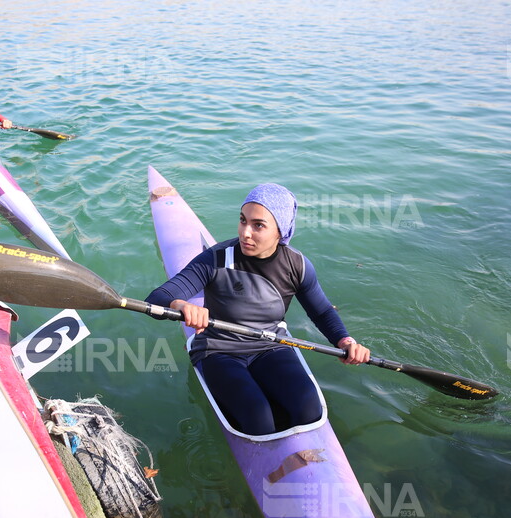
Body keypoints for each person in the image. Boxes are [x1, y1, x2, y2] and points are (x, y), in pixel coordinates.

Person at [145, 183, 371, 436]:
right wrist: (180, 304)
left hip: (270, 345)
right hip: (220, 350)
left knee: (309, 410)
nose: (245, 233)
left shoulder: (297, 265)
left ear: (280, 231)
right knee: (258, 418)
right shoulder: (217, 258)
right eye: (243, 221)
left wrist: (346, 340)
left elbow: (322, 312)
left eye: (258, 225)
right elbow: (158, 297)